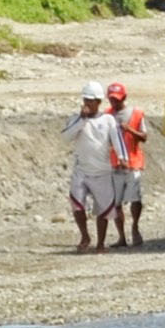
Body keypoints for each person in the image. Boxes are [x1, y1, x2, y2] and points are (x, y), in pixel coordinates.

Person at [62, 81, 128, 254]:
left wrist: (122, 157)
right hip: (81, 170)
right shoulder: (76, 119)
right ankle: (85, 236)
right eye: (85, 100)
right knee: (77, 204)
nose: (87, 103)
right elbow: (66, 137)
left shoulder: (108, 120)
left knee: (103, 209)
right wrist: (81, 120)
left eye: (91, 100)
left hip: (102, 172)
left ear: (98, 101)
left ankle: (100, 243)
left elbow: (117, 140)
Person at [105, 81, 148, 247]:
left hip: (133, 163)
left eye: (116, 99)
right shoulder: (106, 115)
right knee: (116, 203)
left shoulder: (136, 114)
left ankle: (135, 227)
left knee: (135, 199)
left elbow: (144, 137)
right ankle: (121, 237)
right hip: (114, 164)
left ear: (124, 97)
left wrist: (129, 129)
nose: (114, 102)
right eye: (111, 99)